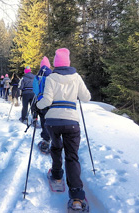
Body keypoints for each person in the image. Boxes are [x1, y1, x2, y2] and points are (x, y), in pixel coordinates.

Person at [36, 48, 91, 211]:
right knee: (72, 156)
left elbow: (46, 100)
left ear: (56, 63)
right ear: (68, 62)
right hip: (71, 122)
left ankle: (57, 176)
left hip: (53, 121)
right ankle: (76, 197)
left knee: (56, 147)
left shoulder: (51, 77)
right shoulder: (76, 77)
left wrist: (37, 105)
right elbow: (86, 97)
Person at [33, 56, 52, 153]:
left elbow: (35, 90)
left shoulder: (37, 77)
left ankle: (46, 140)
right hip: (51, 102)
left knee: (44, 121)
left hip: (41, 102)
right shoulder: (52, 75)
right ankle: (54, 139)